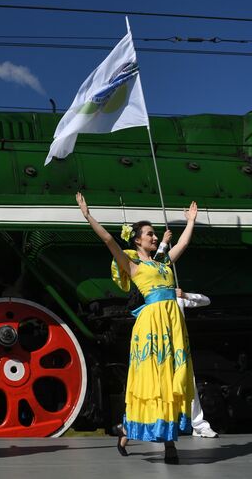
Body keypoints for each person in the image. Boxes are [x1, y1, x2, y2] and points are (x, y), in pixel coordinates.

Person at [77, 192, 197, 464]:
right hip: (151, 325)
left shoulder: (164, 263)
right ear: (137, 239)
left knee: (168, 380)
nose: (155, 238)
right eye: (150, 234)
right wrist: (88, 216)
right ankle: (153, 440)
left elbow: (184, 243)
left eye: (155, 235)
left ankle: (159, 439)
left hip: (171, 324)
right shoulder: (133, 265)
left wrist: (190, 221)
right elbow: (108, 240)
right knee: (152, 381)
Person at [175, 288, 219, 438]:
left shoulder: (176, 297)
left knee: (189, 383)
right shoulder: (152, 297)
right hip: (160, 348)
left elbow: (206, 300)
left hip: (178, 346)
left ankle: (199, 425)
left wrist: (184, 295)